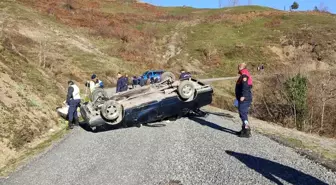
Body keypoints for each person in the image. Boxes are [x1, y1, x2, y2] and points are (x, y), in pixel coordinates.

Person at [235, 63, 253, 138]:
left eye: (239, 66)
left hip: (244, 98)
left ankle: (246, 131)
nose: (238, 67)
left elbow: (245, 86)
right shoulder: (243, 74)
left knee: (243, 113)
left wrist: (243, 95)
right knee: (243, 113)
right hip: (244, 98)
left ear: (242, 67)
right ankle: (244, 129)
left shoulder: (244, 75)